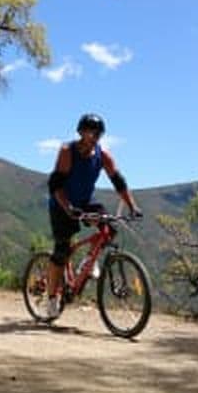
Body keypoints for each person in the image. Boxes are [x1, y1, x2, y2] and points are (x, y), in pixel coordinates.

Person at [44, 113, 142, 318]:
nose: (95, 136)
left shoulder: (103, 155)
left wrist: (133, 206)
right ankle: (52, 298)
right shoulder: (67, 152)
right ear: (81, 132)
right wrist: (68, 207)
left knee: (109, 228)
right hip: (61, 203)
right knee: (61, 251)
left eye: (98, 133)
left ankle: (88, 262)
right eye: (91, 131)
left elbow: (118, 182)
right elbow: (55, 185)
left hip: (85, 202)